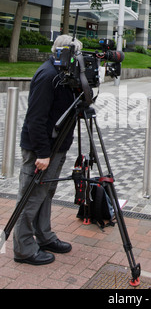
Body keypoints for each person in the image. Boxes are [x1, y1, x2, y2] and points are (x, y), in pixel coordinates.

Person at [13, 35, 81, 265]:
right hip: (41, 149)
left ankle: (44, 236)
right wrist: (43, 153)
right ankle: (24, 248)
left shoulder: (65, 76)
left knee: (45, 194)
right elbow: (35, 119)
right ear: (65, 53)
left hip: (57, 146)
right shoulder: (48, 75)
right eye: (76, 55)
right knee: (30, 197)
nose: (78, 60)